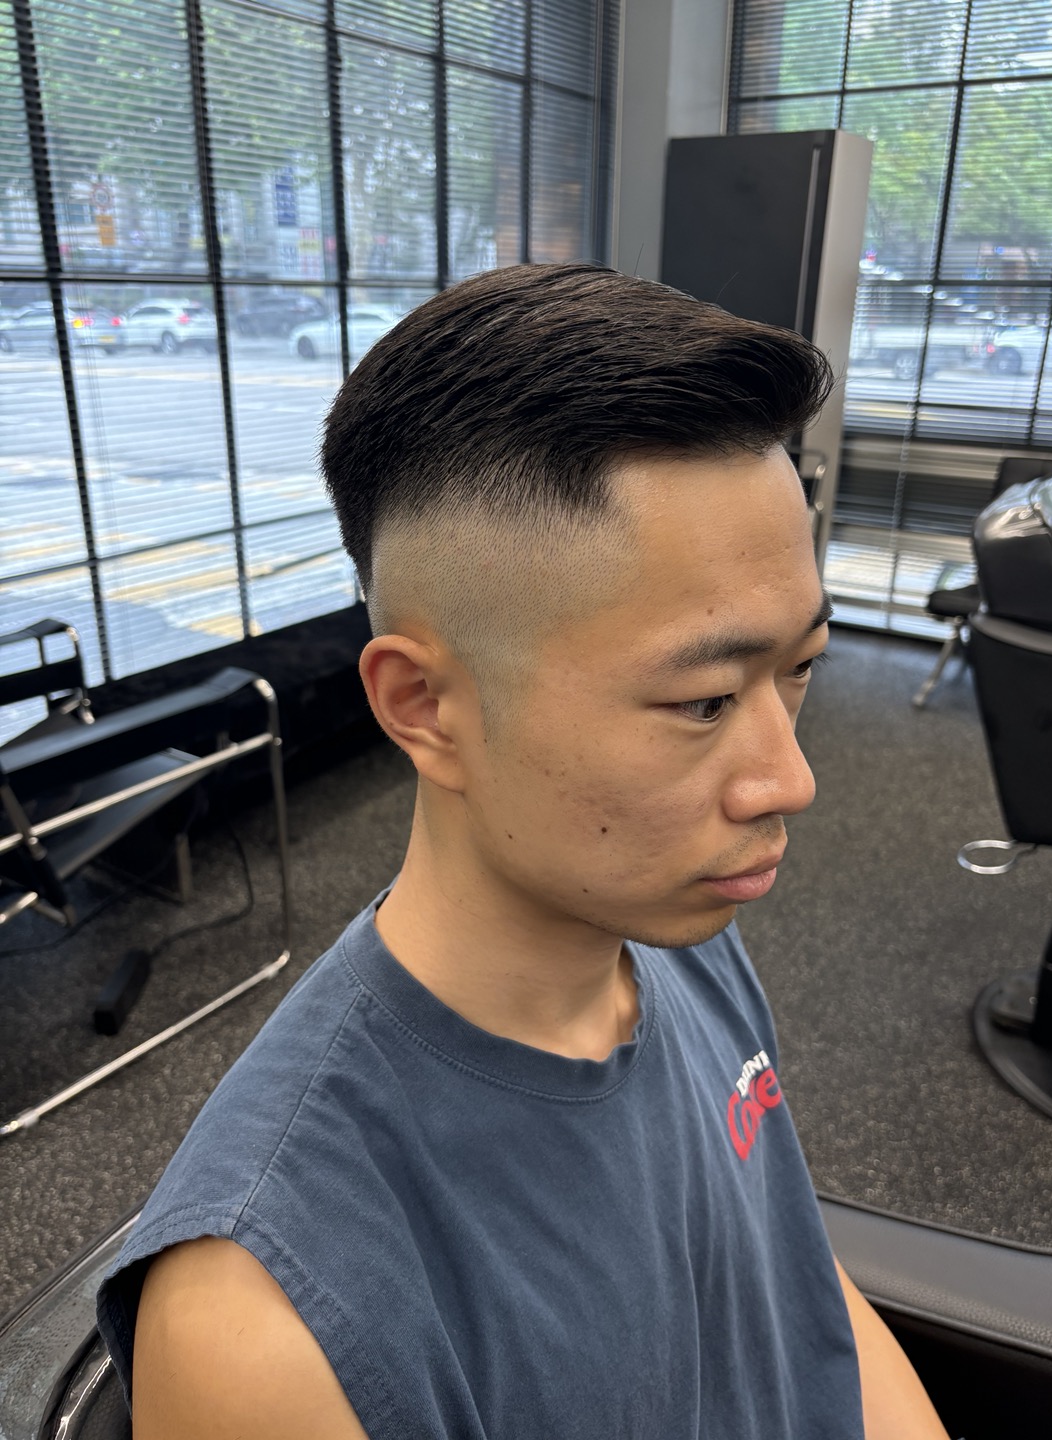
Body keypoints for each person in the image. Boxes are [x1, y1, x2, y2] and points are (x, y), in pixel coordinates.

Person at [97, 263, 949, 1439]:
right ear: (426, 708)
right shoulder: (264, 1327)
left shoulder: (677, 925)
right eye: (704, 701)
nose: (789, 781)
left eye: (798, 668)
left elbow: (792, 1280)